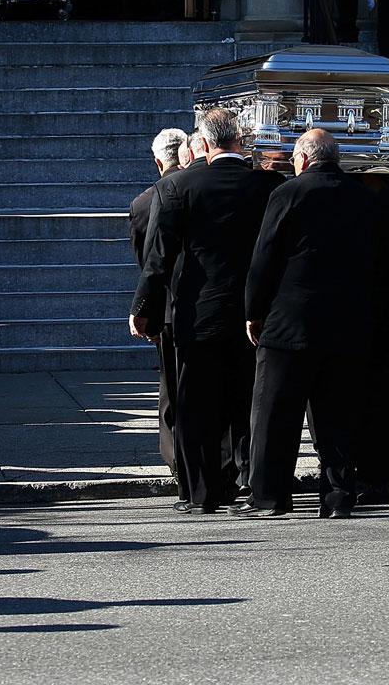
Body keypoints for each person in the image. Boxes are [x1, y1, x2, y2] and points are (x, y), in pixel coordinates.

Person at [129, 108, 282, 514]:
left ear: (206, 143)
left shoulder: (177, 187)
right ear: (239, 141)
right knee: (247, 401)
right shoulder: (267, 185)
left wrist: (143, 306)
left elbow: (159, 258)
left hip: (198, 312)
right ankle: (250, 482)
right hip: (254, 311)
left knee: (197, 405)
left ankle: (203, 492)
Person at [236, 129, 384, 518]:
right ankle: (337, 497)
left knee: (274, 414)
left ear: (302, 159)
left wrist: (253, 310)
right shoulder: (364, 197)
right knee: (338, 417)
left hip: (291, 321)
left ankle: (269, 496)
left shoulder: (288, 193)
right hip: (348, 321)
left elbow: (264, 255)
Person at [128, 127, 188, 488]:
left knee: (171, 389)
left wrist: (145, 308)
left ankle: (177, 463)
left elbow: (146, 261)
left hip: (165, 309)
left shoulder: (142, 203)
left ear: (157, 161)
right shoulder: (198, 187)